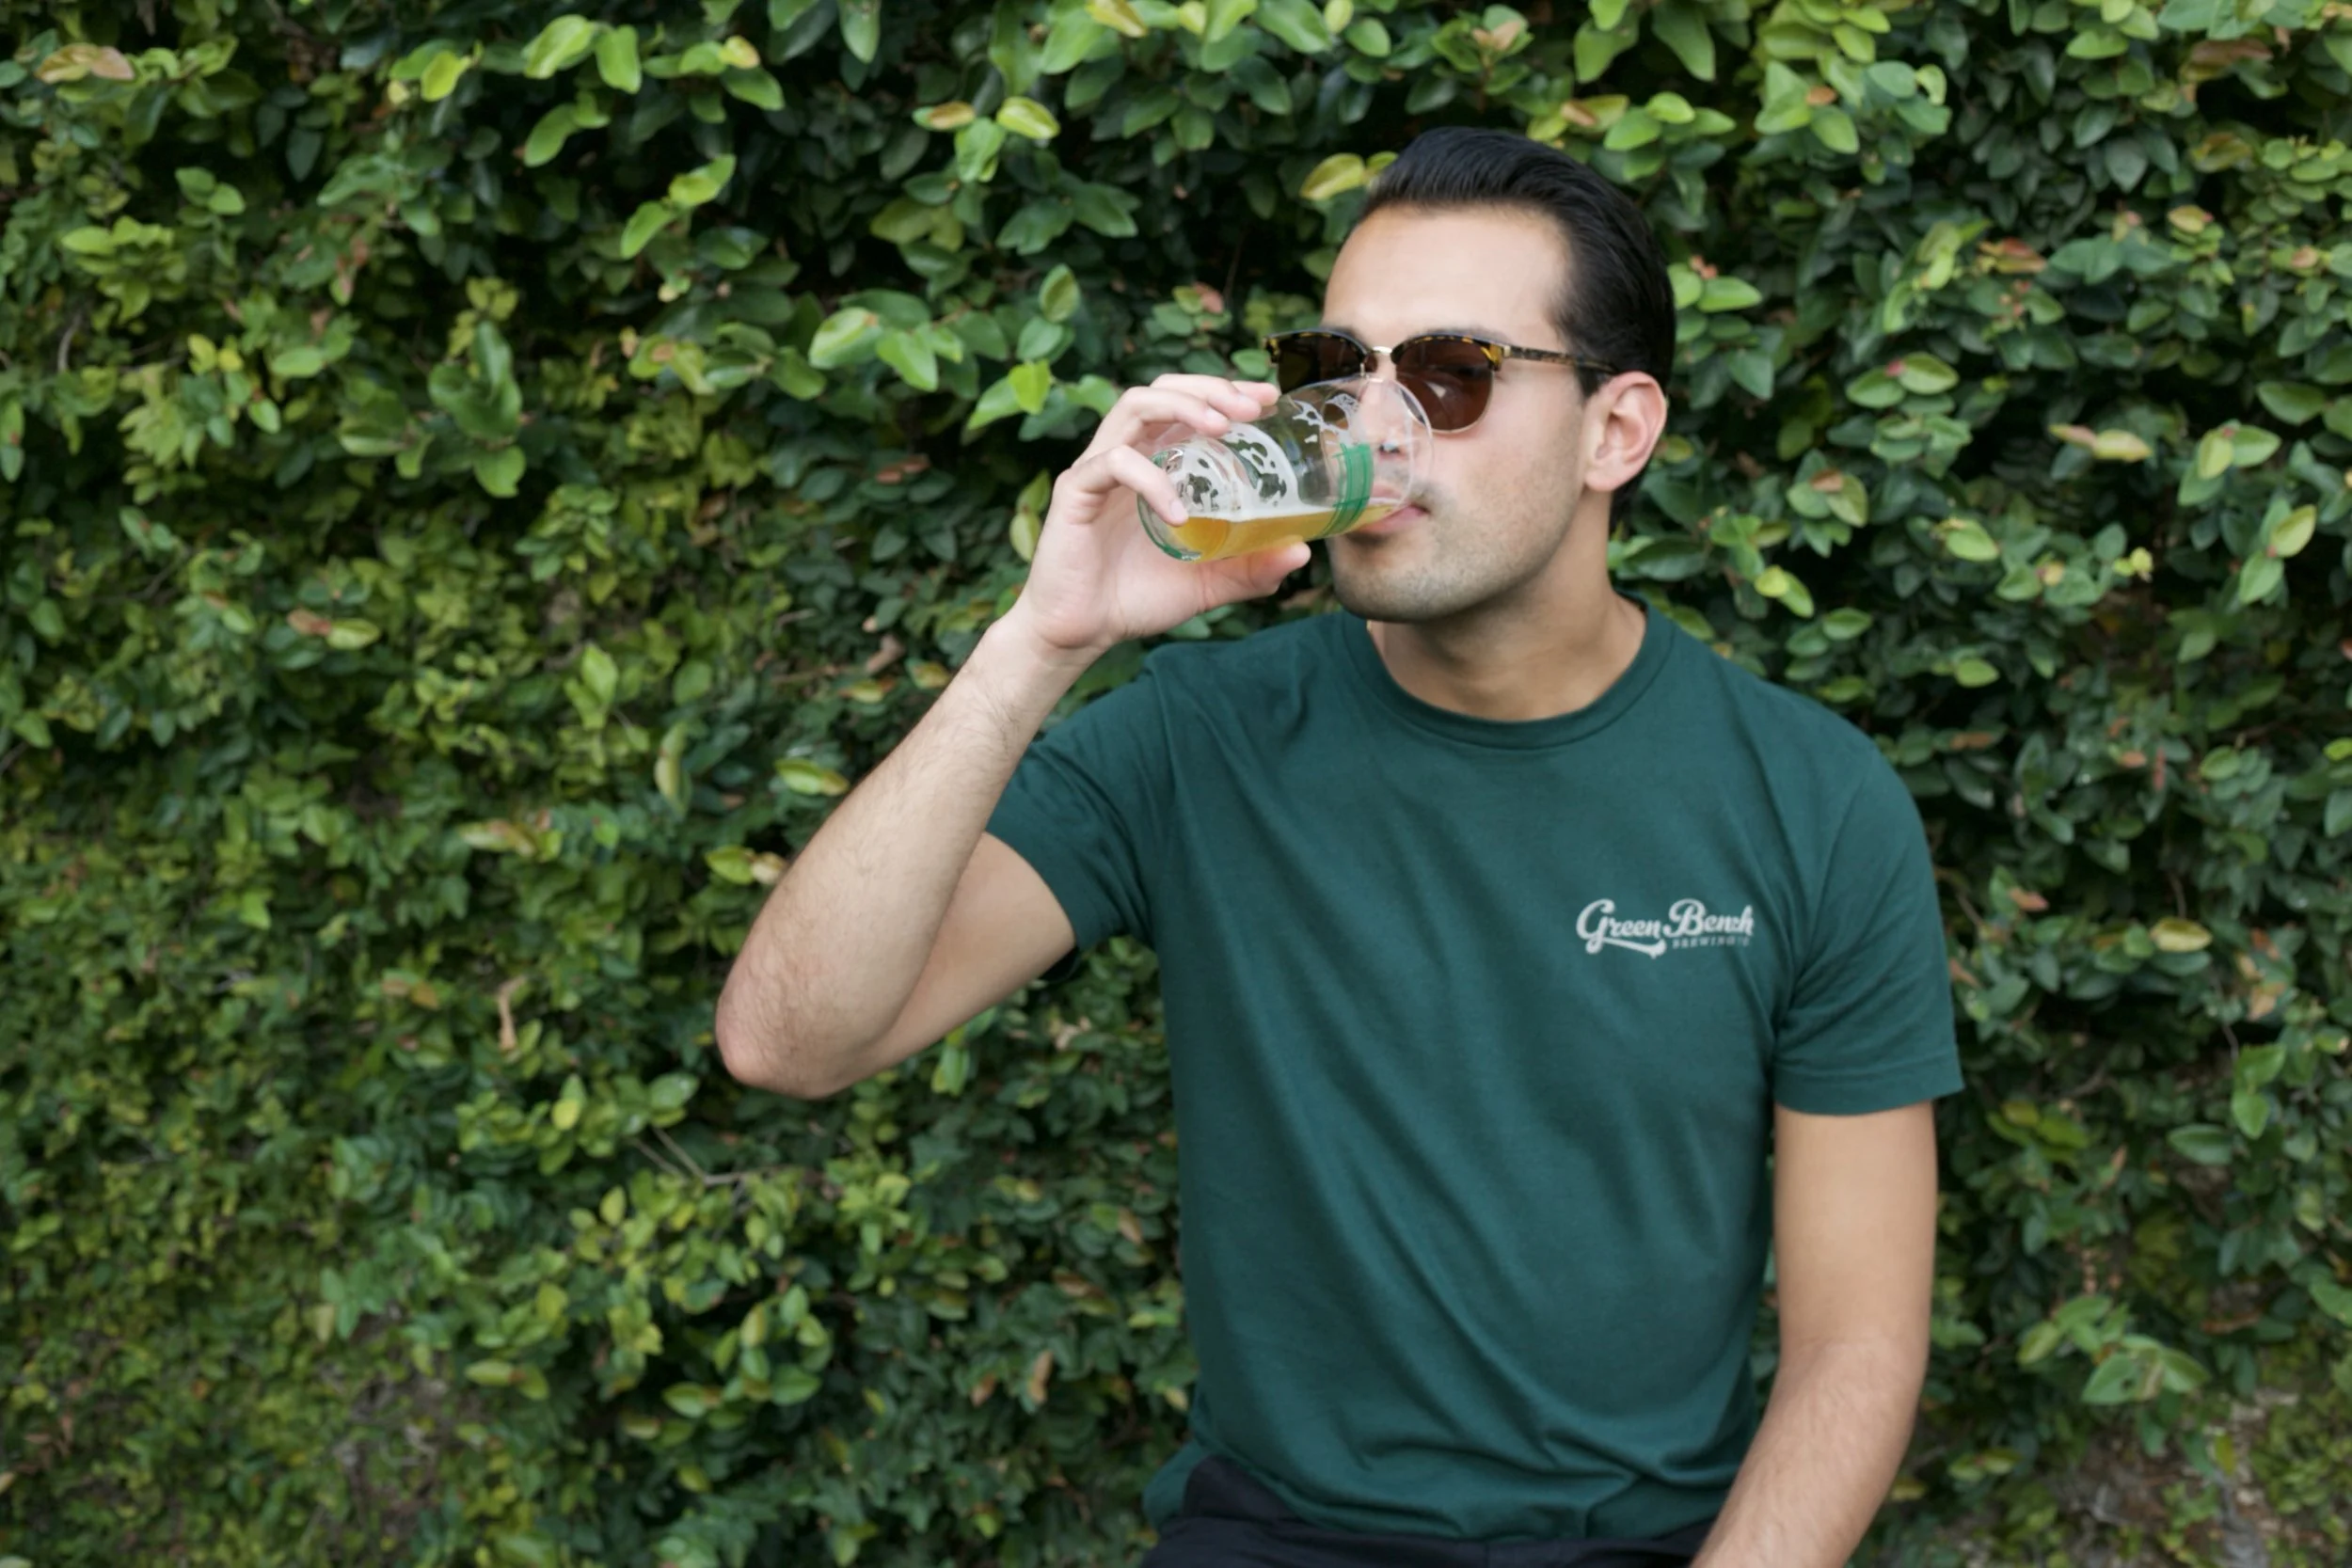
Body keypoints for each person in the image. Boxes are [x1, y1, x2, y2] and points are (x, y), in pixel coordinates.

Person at [717, 126, 1963, 1568]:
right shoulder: (1198, 739)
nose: (1374, 426)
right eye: (1335, 370)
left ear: (1617, 431)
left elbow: (1856, 1347)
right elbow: (790, 1039)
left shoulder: (1812, 800)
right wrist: (1041, 639)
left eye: (1451, 373)